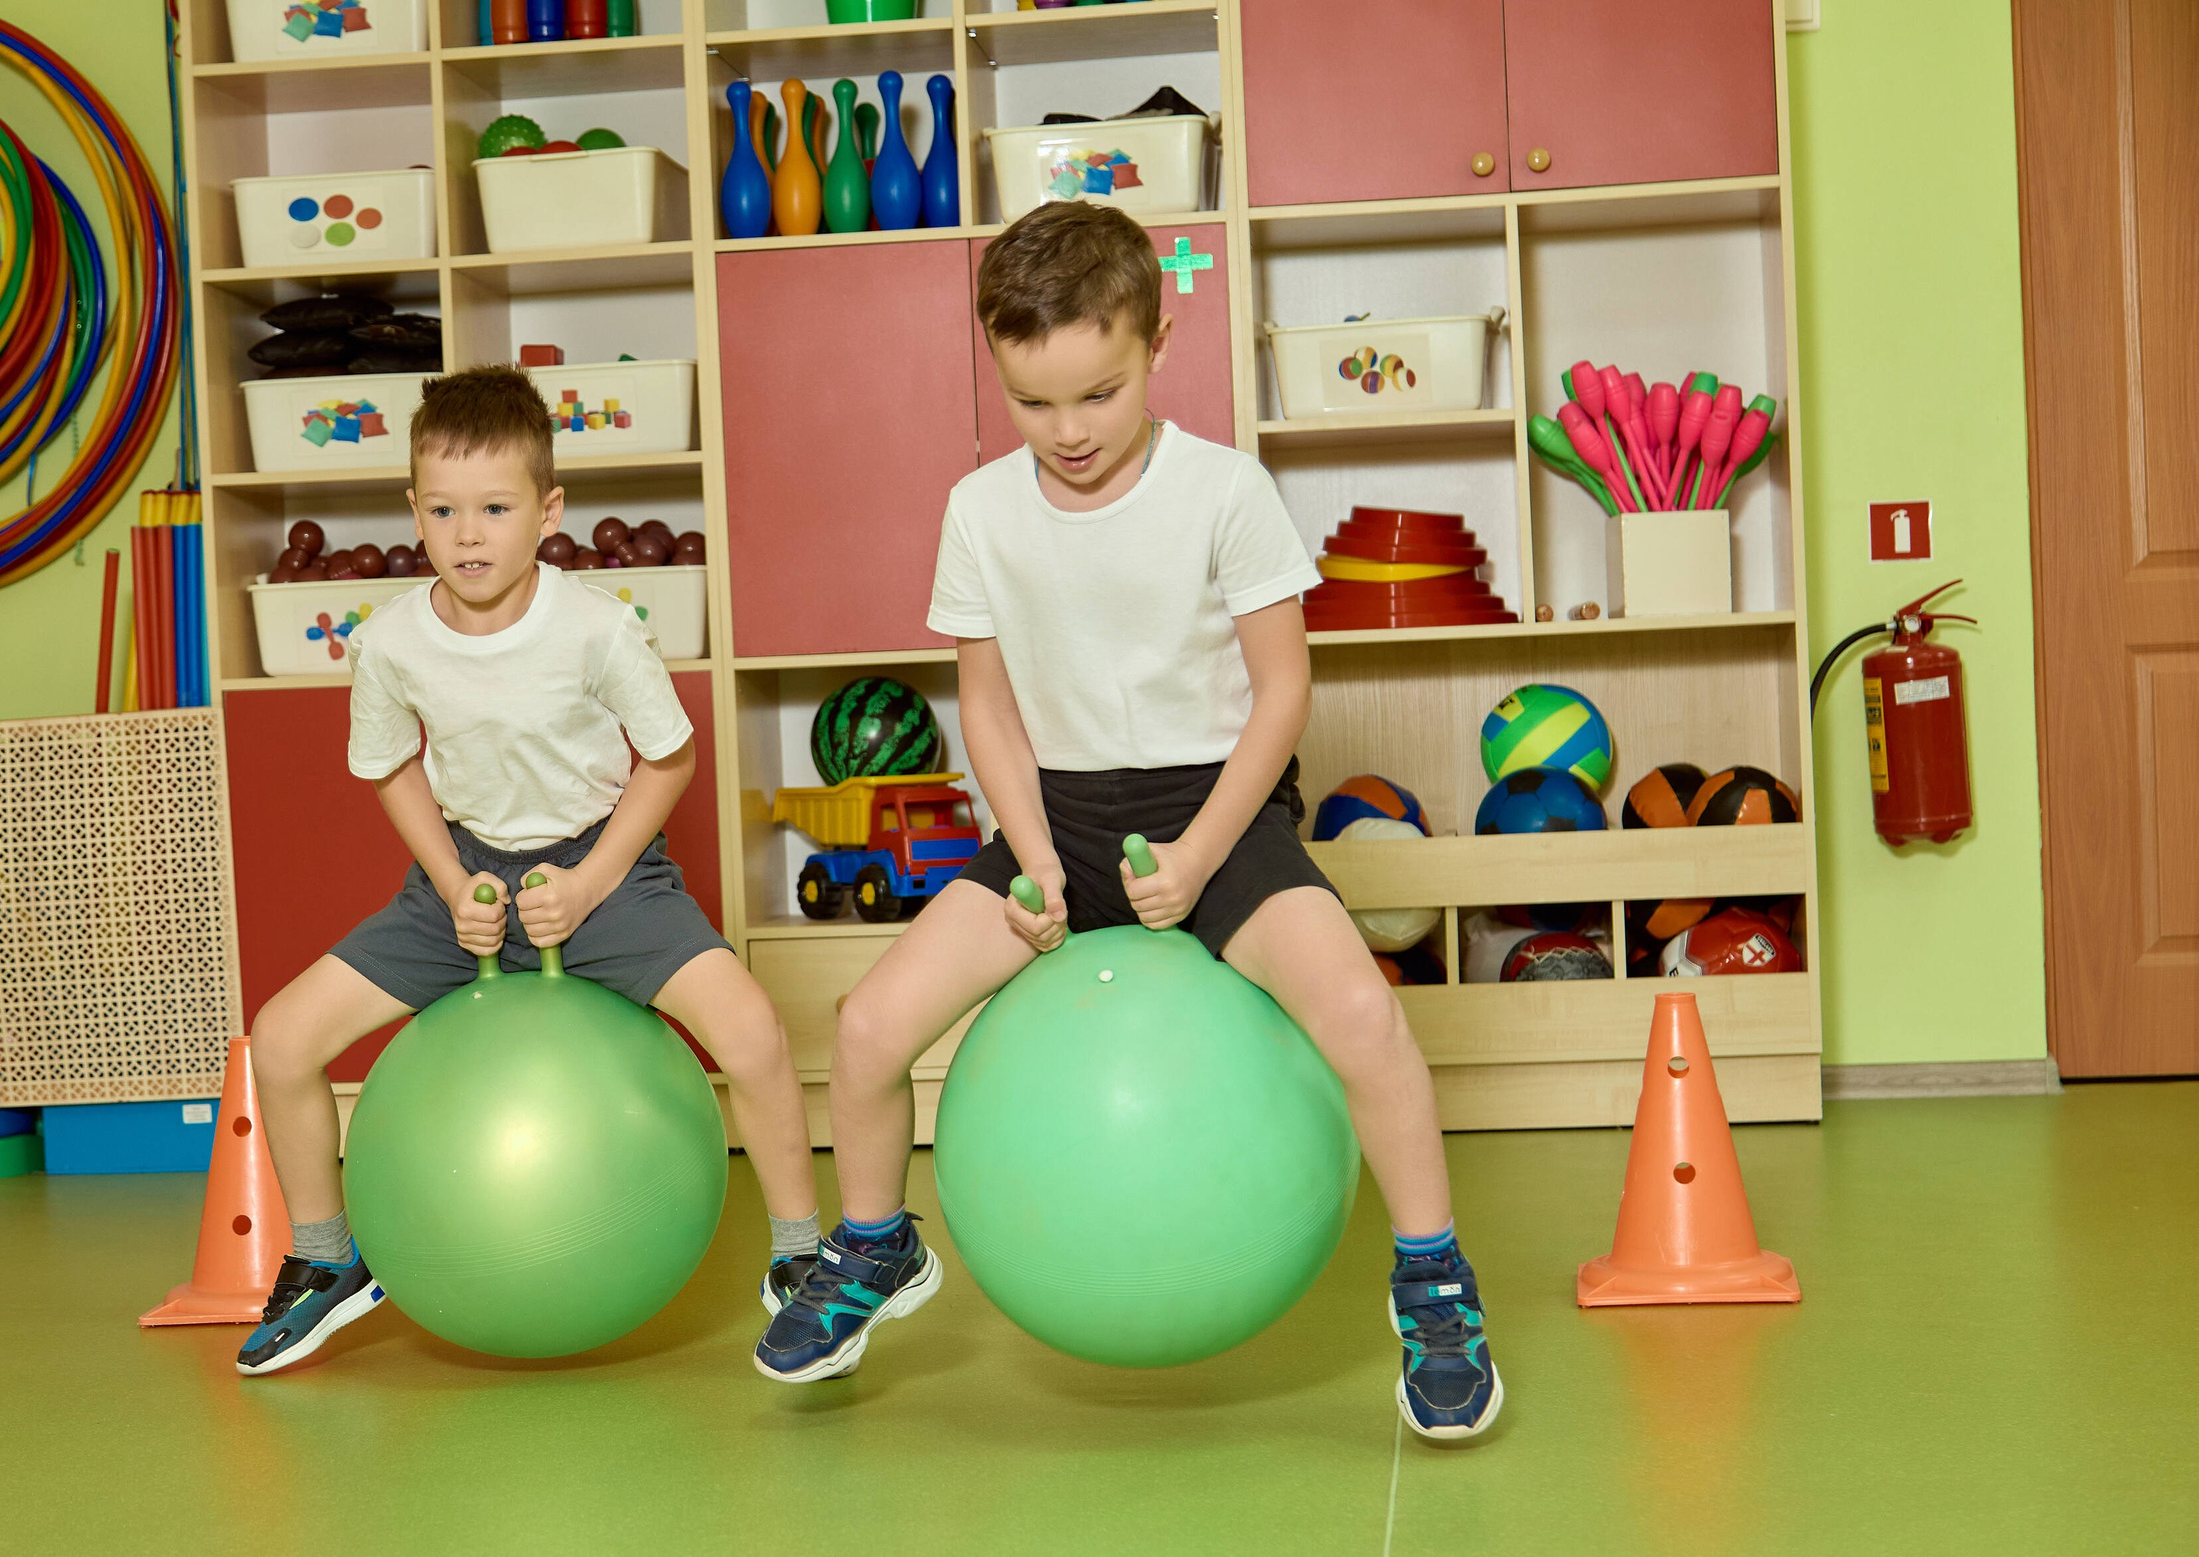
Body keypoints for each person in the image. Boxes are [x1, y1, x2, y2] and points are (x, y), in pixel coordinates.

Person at [753, 204, 1503, 1440]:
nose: (1068, 433)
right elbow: (985, 707)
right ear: (995, 368)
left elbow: (1284, 691)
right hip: (1058, 818)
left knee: (1362, 1012)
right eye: (1033, 403)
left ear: (1161, 338)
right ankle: (879, 1246)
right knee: (870, 1024)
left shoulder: (1224, 491)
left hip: (1218, 806)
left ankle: (1432, 1280)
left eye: (1096, 395)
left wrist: (1206, 853)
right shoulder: (982, 511)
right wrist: (1036, 853)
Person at [239, 366, 820, 1375]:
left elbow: (667, 758)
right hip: (462, 877)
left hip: (607, 871)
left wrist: (593, 881)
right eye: (445, 510)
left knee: (754, 1034)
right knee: (281, 1040)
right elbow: (389, 769)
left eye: (496, 509)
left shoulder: (595, 626)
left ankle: (801, 1258)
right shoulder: (391, 644)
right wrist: (451, 881)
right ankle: (325, 1260)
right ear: (413, 510)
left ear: (547, 512)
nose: (469, 536)